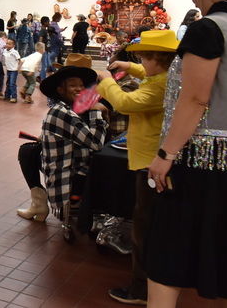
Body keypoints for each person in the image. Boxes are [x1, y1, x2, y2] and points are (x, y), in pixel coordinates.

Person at [146, 0, 227, 307]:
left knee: (166, 253)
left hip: (199, 161)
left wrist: (166, 154)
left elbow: (194, 98)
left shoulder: (208, 29)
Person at [95, 30, 177, 305]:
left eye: (143, 56)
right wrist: (130, 66)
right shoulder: (169, 75)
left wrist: (106, 82)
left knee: (143, 229)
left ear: (155, 57)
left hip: (151, 165)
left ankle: (140, 290)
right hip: (150, 161)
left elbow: (125, 103)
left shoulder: (161, 86)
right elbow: (150, 74)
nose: (140, 60)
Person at [38, 54, 109, 222]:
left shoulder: (70, 108)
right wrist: (96, 111)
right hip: (67, 180)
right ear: (60, 90)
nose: (79, 89)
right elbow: (97, 143)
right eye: (73, 85)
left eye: (81, 86)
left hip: (75, 170)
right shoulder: (62, 112)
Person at [3, 38, 20, 103]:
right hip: (8, 69)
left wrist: (19, 68)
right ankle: (7, 96)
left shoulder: (14, 52)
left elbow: (19, 60)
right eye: (7, 43)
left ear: (13, 46)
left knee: (12, 83)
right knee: (8, 83)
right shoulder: (5, 51)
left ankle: (14, 97)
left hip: (14, 70)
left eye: (10, 44)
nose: (7, 45)